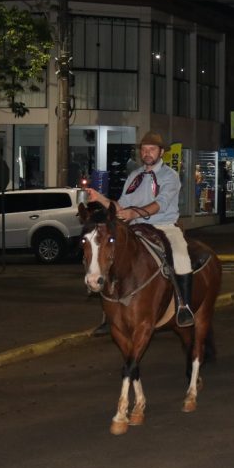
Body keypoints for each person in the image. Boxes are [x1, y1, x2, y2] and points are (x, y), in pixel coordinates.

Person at [85, 131, 196, 327]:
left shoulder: (170, 176)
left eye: (152, 149)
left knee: (181, 257)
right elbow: (120, 206)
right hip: (136, 228)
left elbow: (160, 203)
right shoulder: (134, 177)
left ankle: (183, 306)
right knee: (109, 254)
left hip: (163, 225)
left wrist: (134, 214)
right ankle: (108, 312)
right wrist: (99, 198)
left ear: (161, 152)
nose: (147, 153)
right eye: (144, 149)